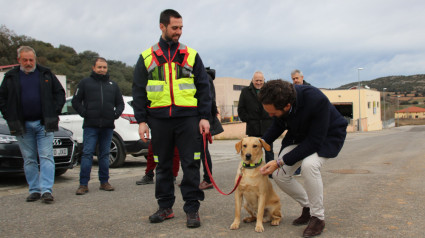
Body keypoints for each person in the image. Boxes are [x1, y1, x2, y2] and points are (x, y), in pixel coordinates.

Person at [132, 9, 211, 228]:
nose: (179, 32)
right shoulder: (147, 57)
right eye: (175, 28)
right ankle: (165, 207)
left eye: (181, 28)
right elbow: (138, 91)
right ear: (162, 27)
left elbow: (204, 88)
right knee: (163, 166)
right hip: (159, 119)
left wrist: (204, 117)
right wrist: (141, 121)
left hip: (188, 118)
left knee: (191, 164)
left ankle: (192, 209)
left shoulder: (191, 55)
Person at [258, 79, 347, 237]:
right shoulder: (280, 99)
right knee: (279, 175)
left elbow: (313, 142)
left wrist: (279, 162)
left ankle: (318, 217)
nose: (270, 115)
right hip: (300, 135)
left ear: (287, 106)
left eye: (272, 112)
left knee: (309, 165)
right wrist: (260, 143)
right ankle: (308, 206)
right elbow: (277, 125)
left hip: (327, 136)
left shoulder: (316, 100)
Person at [0, 46, 65, 203]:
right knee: (29, 158)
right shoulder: (10, 77)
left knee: (46, 156)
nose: (28, 63)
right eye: (25, 60)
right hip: (22, 125)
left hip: (43, 123)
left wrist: (54, 111)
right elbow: (2, 98)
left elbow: (60, 93)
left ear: (35, 59)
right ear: (19, 60)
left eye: (31, 60)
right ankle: (34, 189)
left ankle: (47, 191)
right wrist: (9, 115)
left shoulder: (45, 73)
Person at [72, 57, 124, 195]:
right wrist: (84, 113)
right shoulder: (85, 83)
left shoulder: (113, 85)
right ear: (93, 68)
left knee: (104, 154)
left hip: (107, 126)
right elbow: (75, 101)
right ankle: (83, 184)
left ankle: (104, 182)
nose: (102, 70)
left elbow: (120, 103)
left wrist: (116, 114)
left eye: (104, 67)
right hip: (91, 126)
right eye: (99, 67)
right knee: (87, 154)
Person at [237, 71, 274, 163]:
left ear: (264, 80)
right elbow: (241, 109)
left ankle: (270, 172)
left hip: (267, 127)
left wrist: (272, 119)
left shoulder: (270, 91)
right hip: (253, 127)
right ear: (252, 80)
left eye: (260, 80)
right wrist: (248, 119)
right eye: (256, 80)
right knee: (252, 152)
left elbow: (275, 106)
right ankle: (252, 170)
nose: (258, 82)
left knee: (269, 151)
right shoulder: (245, 92)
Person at [199, 67, 223, 190]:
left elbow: (209, 98)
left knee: (203, 150)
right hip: (194, 118)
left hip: (203, 118)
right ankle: (192, 178)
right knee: (195, 151)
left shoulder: (205, 77)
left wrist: (209, 117)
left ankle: (208, 179)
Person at [291, 69, 311, 176]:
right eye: (293, 79)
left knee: (307, 147)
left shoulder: (310, 89)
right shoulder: (290, 90)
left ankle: (309, 169)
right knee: (296, 147)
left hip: (308, 124)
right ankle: (297, 170)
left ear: (302, 78)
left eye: (297, 78)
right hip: (296, 124)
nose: (295, 80)